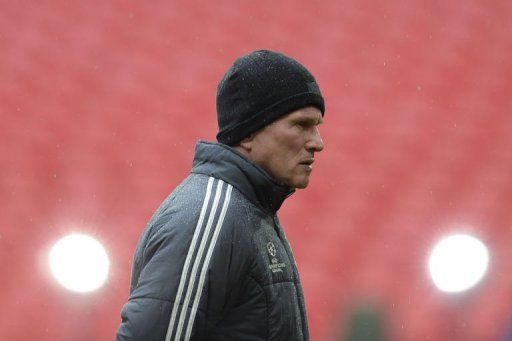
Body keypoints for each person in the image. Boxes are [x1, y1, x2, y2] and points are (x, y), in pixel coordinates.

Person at [116, 50, 325, 340]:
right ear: (249, 133)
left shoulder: (248, 209)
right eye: (302, 125)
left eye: (317, 126)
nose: (318, 143)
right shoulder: (210, 217)